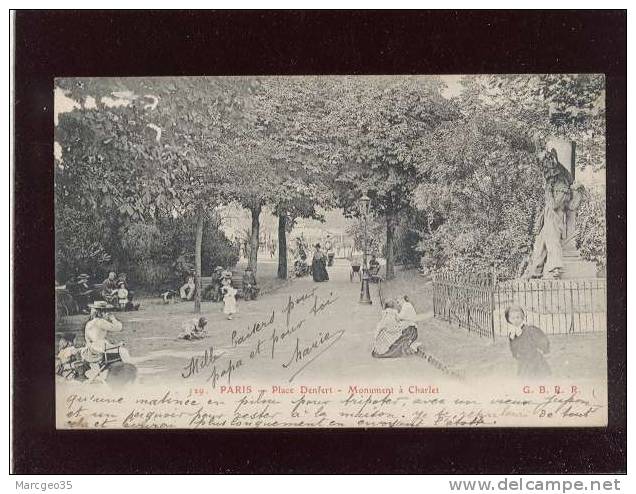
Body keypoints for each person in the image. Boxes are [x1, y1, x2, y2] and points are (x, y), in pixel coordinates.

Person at [81, 301, 130, 381]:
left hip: (92, 349)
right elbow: (118, 327)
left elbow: (87, 340)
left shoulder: (88, 324)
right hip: (101, 350)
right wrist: (113, 319)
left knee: (115, 347)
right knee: (124, 351)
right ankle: (129, 374)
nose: (106, 313)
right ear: (102, 312)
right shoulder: (101, 322)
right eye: (105, 311)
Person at [506, 305, 551, 378]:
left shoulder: (530, 330)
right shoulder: (512, 333)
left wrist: (545, 349)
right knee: (524, 375)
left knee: (535, 375)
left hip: (533, 357)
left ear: (522, 317)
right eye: (512, 318)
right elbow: (513, 345)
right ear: (509, 320)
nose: (516, 320)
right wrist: (515, 353)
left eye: (518, 317)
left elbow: (540, 338)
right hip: (522, 359)